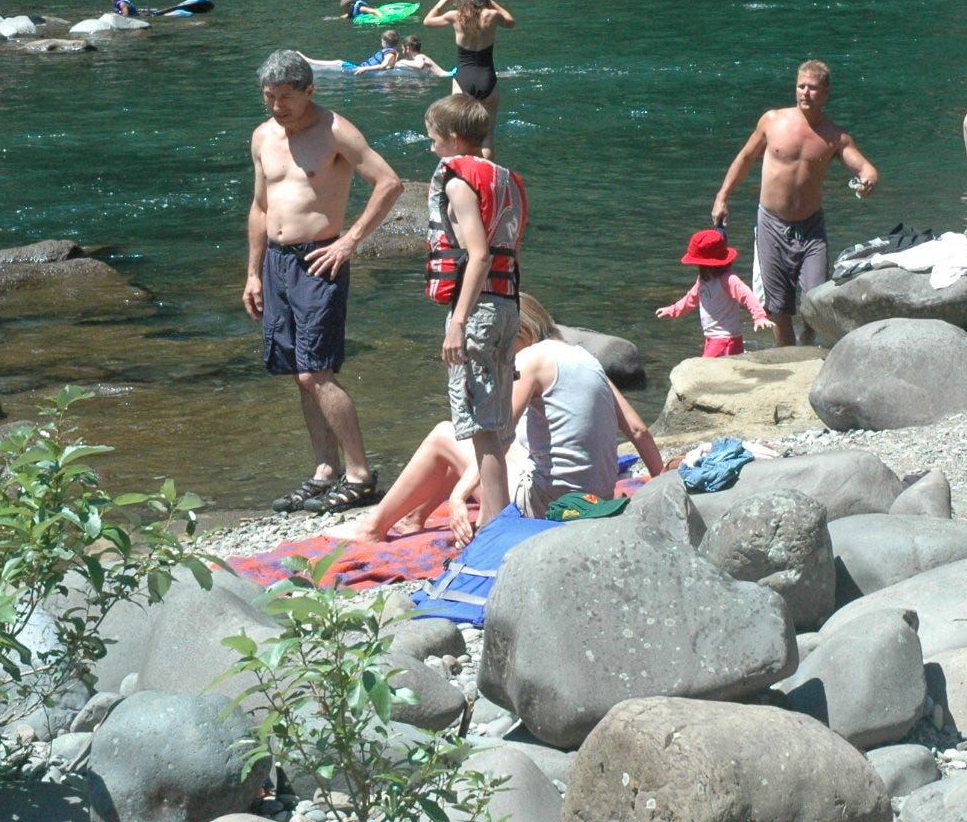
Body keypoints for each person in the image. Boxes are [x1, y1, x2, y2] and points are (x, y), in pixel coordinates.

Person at [330, 293, 661, 544]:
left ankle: (372, 528)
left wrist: (459, 495)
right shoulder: (584, 357)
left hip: (550, 506)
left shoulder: (530, 361)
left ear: (518, 331)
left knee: (445, 434)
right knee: (467, 440)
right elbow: (638, 430)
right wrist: (662, 485)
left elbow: (498, 438)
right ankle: (414, 518)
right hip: (596, 499)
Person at [245, 50, 405, 515]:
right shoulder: (262, 136)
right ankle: (324, 470)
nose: (277, 106)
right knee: (301, 375)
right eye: (270, 97)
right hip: (276, 264)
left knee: (317, 373)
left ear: (310, 91)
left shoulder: (335, 130)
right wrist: (253, 272)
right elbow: (260, 206)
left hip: (319, 260)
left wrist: (349, 241)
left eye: (286, 97)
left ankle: (360, 475)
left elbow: (389, 183)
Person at [712, 60, 879, 346]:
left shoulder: (834, 136)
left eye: (812, 88)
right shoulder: (772, 121)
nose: (805, 92)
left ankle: (809, 338)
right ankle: (787, 355)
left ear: (826, 92)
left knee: (816, 298)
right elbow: (745, 158)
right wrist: (722, 197)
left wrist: (868, 180)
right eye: (801, 86)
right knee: (778, 307)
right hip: (772, 224)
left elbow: (865, 168)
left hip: (811, 227)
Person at [421, 92, 529, 534]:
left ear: (452, 137)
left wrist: (459, 323)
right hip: (507, 305)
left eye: (432, 136)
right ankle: (493, 518)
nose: (430, 144)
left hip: (479, 310)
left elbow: (479, 255)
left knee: (483, 426)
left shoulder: (457, 182)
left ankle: (497, 527)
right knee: (496, 421)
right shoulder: (504, 178)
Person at [423, 0, 515, 151]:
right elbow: (510, 21)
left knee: (459, 136)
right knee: (487, 138)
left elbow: (427, 21)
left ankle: (462, 167)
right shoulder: (492, 15)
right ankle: (486, 169)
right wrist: (489, 1)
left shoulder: (455, 16)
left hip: (463, 79)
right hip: (487, 78)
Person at [655, 227, 773, 356]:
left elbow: (746, 294)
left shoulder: (728, 279)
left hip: (726, 338)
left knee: (706, 367)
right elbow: (691, 299)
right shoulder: (703, 280)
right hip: (712, 338)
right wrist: (673, 310)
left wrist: (759, 316)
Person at [298, 30, 406, 76]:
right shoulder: (389, 52)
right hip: (363, 69)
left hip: (363, 71)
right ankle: (311, 62)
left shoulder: (390, 54)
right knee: (339, 63)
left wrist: (364, 69)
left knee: (338, 62)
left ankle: (310, 61)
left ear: (385, 42)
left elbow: (383, 66)